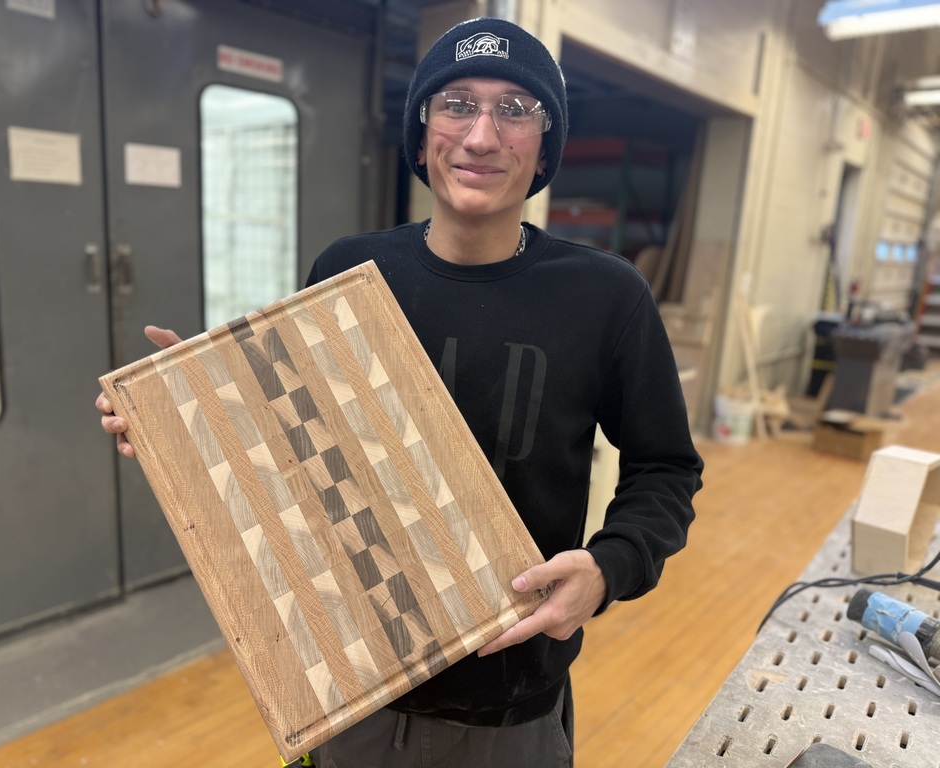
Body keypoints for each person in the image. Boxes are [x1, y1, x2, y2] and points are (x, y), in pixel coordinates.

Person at [98, 17, 702, 768]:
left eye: (515, 109)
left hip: (509, 706)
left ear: (544, 147)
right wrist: (184, 419)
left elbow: (667, 470)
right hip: (351, 691)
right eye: (456, 104)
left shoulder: (605, 298)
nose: (481, 136)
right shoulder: (349, 273)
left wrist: (609, 567)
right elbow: (298, 456)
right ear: (422, 138)